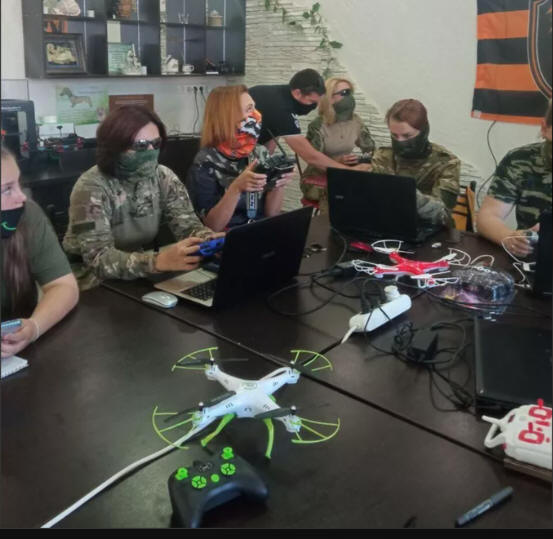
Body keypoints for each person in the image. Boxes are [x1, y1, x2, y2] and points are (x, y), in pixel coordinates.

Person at [63, 105, 216, 290]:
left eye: (156, 143)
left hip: (135, 274)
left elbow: (188, 226)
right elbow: (99, 260)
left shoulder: (162, 176)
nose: (151, 150)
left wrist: (211, 241)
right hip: (88, 283)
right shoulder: (91, 187)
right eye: (141, 145)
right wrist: (157, 261)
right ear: (115, 147)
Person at [1, 146, 79, 359]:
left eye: (18, 183)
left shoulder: (26, 216)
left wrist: (34, 328)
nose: (21, 197)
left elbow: (63, 286)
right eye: (6, 189)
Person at [186, 85, 294, 232]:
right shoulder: (204, 163)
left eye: (254, 107)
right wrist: (236, 188)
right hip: (226, 236)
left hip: (258, 230)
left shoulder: (259, 152)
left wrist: (279, 183)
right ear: (227, 117)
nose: (257, 115)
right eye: (249, 109)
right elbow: (212, 226)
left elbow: (272, 214)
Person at [248, 68, 371, 173]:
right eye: (311, 101)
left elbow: (273, 129)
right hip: (237, 144)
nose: (313, 106)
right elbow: (311, 157)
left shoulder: (281, 94)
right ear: (298, 93)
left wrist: (264, 161)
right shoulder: (282, 109)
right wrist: (350, 171)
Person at [477, 99, 552, 258]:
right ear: (544, 128)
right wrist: (510, 238)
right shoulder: (520, 160)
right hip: (531, 260)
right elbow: (487, 217)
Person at [371, 99, 461, 227]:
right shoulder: (384, 156)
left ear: (424, 131)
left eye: (407, 136)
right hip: (389, 225)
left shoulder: (446, 162)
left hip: (429, 229)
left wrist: (407, 195)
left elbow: (443, 214)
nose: (400, 142)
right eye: (394, 135)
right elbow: (375, 201)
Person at [301, 77, 375, 210]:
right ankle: (331, 222)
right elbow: (314, 161)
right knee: (348, 192)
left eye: (350, 92)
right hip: (317, 177)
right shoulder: (318, 126)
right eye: (344, 93)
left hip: (345, 173)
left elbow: (370, 149)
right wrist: (337, 161)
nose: (349, 97)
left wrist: (362, 160)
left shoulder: (356, 122)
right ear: (329, 98)